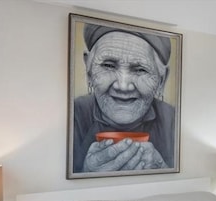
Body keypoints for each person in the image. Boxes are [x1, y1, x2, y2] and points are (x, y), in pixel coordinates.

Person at [72, 24, 175, 173]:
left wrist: (161, 168)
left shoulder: (173, 121)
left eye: (140, 69)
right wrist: (85, 174)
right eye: (108, 65)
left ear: (161, 80)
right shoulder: (71, 116)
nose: (123, 86)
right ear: (88, 70)